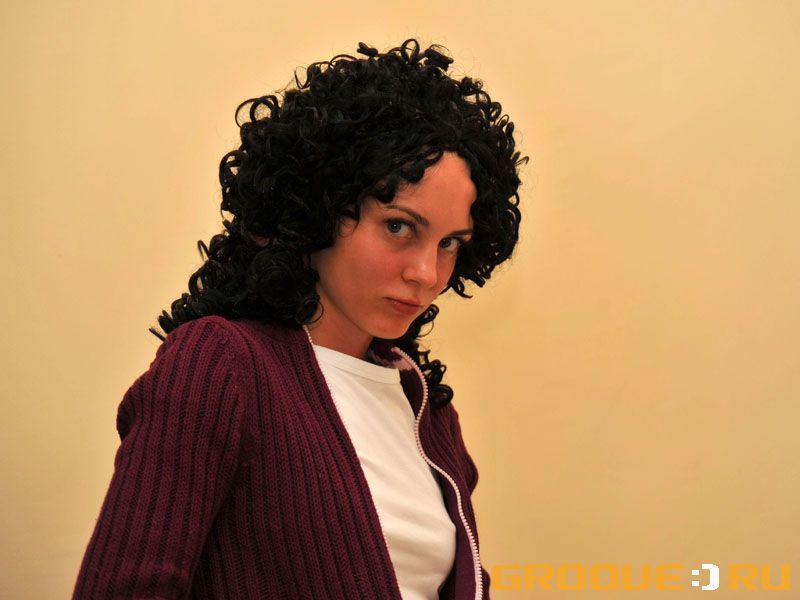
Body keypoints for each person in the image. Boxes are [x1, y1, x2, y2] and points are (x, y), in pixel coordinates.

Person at [72, 38, 527, 600]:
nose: (426, 272)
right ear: (318, 209)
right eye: (399, 226)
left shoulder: (427, 410)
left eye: (450, 243)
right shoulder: (223, 365)